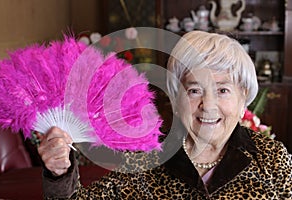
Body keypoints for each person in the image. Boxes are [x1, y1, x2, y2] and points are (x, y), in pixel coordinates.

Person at [38, 31, 292, 199]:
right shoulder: (145, 159)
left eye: (223, 90)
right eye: (194, 90)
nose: (209, 104)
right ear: (177, 99)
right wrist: (60, 173)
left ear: (242, 99)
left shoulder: (271, 160)